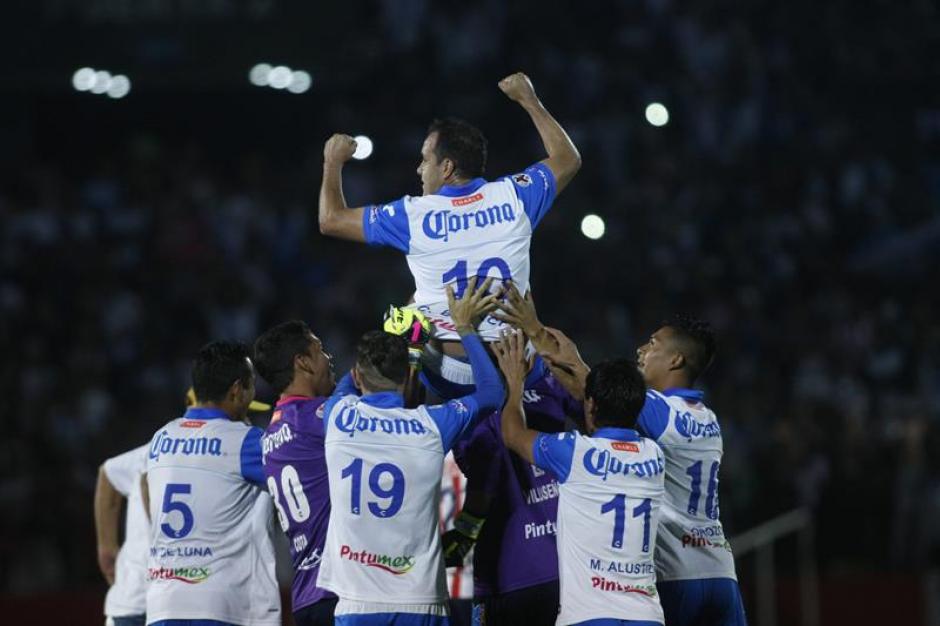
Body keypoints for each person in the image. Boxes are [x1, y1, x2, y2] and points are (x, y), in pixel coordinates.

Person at [317, 72, 580, 392]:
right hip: (512, 362)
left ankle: (398, 403)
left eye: (425, 159)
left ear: (446, 168)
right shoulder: (515, 196)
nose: (419, 169)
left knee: (395, 319)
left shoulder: (413, 214)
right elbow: (568, 158)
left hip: (447, 369)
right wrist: (529, 100)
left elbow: (330, 219)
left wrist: (333, 161)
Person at [317, 277, 505, 625]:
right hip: (420, 600)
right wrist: (464, 329)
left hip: (357, 604)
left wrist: (395, 333)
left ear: (359, 376)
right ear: (406, 375)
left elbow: (350, 379)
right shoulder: (431, 425)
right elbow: (493, 393)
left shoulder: (339, 415)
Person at [494, 330, 666, 626]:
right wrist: (575, 365)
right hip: (646, 615)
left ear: (591, 405)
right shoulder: (655, 455)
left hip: (589, 616)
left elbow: (513, 435)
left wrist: (514, 383)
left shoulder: (574, 451)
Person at [142, 340, 280, 626]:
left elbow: (146, 491)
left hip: (163, 604)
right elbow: (301, 477)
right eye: (251, 384)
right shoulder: (246, 442)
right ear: (236, 390)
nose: (255, 393)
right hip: (223, 606)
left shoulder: (161, 438)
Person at [635, 316, 747, 626]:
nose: (641, 350)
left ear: (676, 359)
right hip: (722, 574)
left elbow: (593, 388)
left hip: (677, 576)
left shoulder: (659, 414)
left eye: (653, 343)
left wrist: (536, 330)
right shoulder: (709, 419)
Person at [253, 321, 339, 626]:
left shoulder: (270, 433)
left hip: (304, 597)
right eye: (320, 351)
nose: (329, 359)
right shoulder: (319, 418)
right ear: (302, 362)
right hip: (338, 591)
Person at [96, 445, 150, 626]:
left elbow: (109, 472)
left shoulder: (159, 445)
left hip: (132, 597)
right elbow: (109, 473)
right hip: (180, 597)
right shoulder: (229, 449)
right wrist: (108, 549)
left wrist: (107, 549)